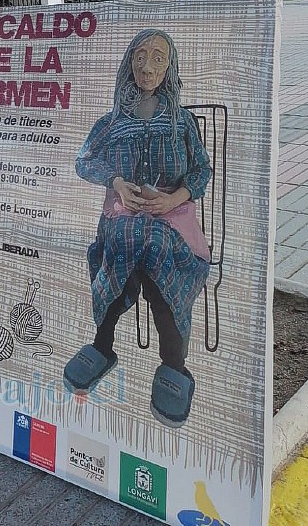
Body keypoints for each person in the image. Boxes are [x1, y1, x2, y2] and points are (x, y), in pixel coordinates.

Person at [63, 28, 212, 428]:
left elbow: (201, 170)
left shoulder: (181, 122)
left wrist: (174, 198)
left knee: (162, 252)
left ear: (170, 66)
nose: (148, 67)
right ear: (129, 62)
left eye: (158, 58)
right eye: (140, 57)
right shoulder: (113, 121)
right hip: (125, 210)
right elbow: (84, 161)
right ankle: (103, 346)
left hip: (171, 213)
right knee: (126, 244)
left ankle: (173, 365)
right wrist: (115, 182)